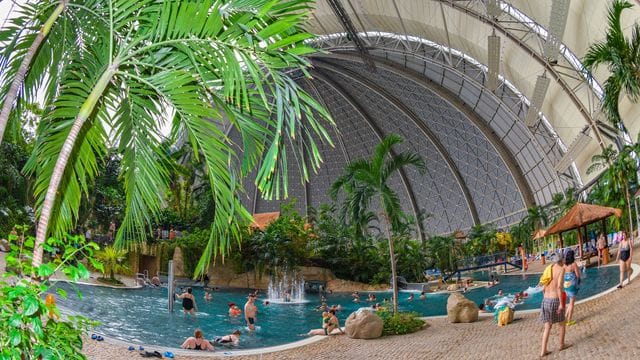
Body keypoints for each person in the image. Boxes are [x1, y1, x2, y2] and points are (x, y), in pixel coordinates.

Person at [539, 259, 568, 357]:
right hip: (555, 300)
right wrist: (560, 303)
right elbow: (559, 287)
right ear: (561, 261)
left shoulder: (548, 268)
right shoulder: (561, 269)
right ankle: (561, 345)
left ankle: (543, 351)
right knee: (562, 324)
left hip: (546, 300)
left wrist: (545, 298)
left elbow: (542, 288)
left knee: (547, 327)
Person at [562, 249, 581, 326]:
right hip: (572, 286)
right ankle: (569, 320)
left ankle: (565, 319)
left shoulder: (564, 265)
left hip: (566, 286)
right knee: (571, 304)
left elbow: (563, 275)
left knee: (570, 303)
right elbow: (578, 275)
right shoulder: (573, 264)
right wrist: (579, 282)